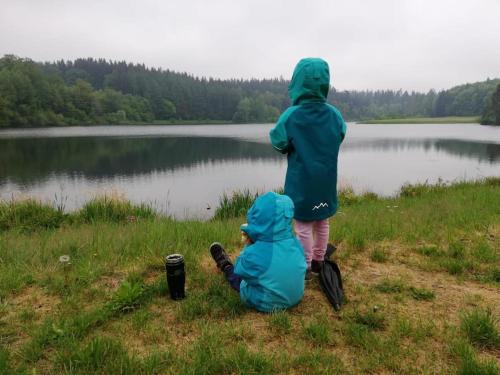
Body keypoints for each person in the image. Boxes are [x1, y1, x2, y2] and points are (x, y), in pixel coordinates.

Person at [269, 58, 346, 280]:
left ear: (297, 82)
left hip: (301, 181)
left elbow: (278, 141)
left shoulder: (292, 115)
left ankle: (303, 267)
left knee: (303, 226)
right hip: (326, 181)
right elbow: (340, 134)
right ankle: (318, 261)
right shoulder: (334, 114)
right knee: (323, 221)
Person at [209, 191, 306, 313]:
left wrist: (249, 244)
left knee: (238, 278)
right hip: (296, 296)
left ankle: (225, 264)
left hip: (267, 303)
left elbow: (240, 269)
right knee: (265, 272)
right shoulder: (297, 244)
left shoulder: (255, 254)